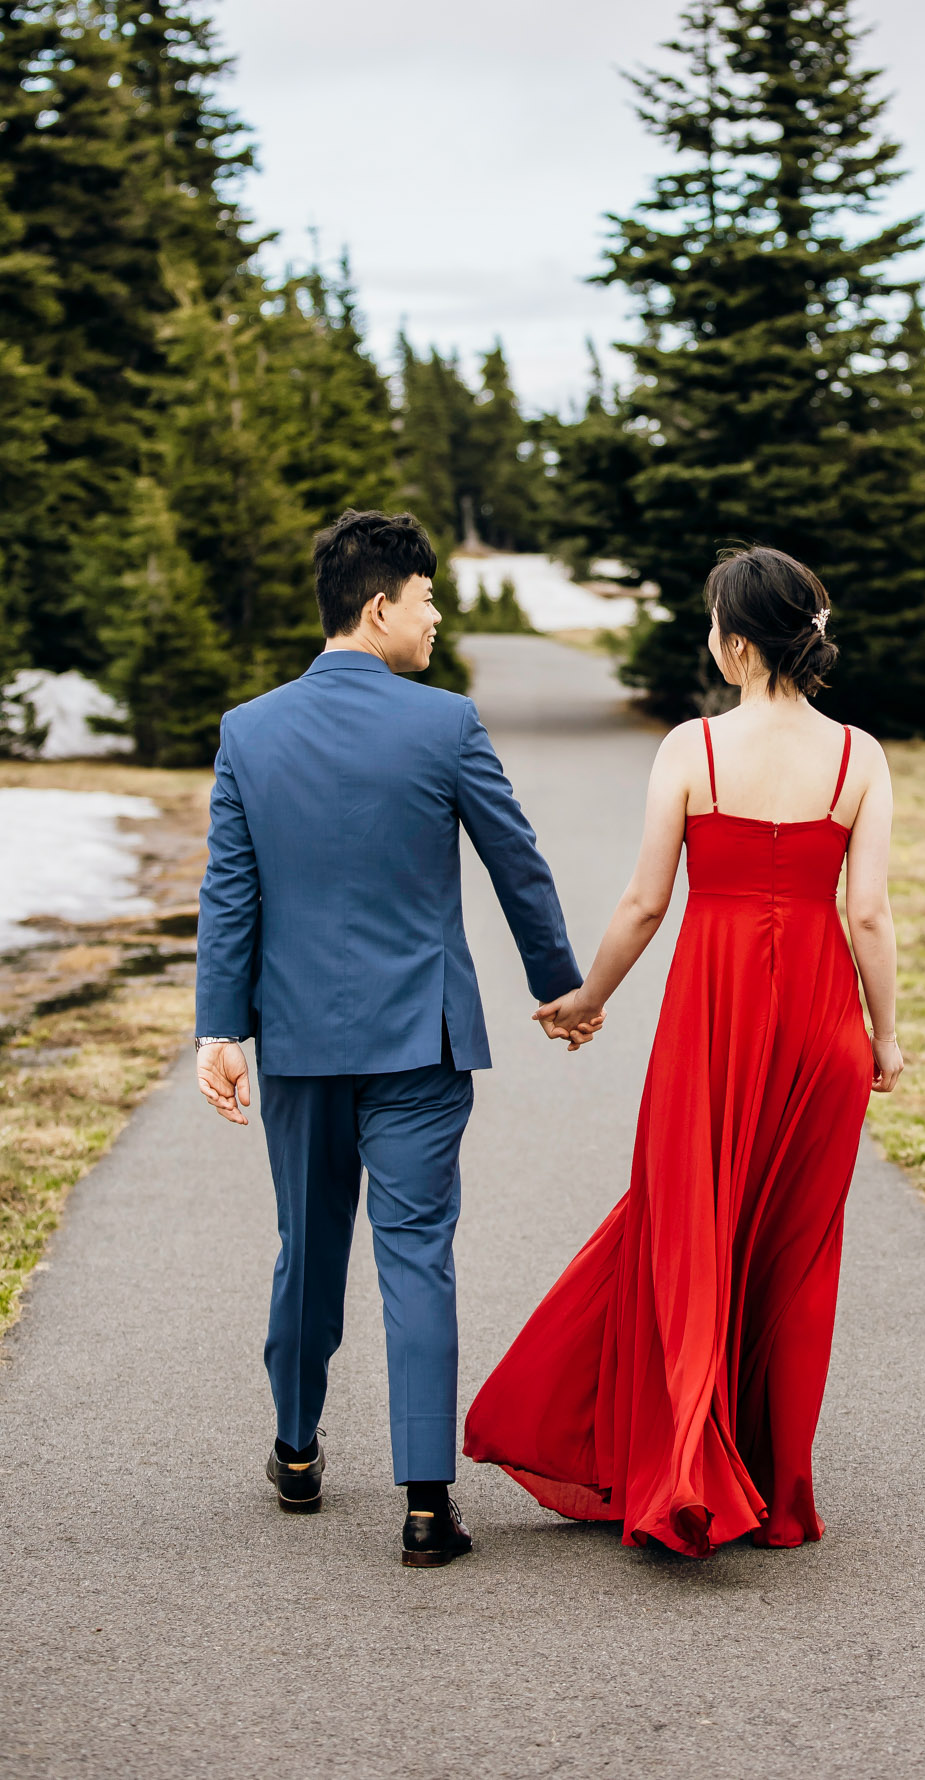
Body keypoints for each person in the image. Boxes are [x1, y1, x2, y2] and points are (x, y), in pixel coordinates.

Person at [463, 544, 902, 1555]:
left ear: (737, 644)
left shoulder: (691, 750)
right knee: (791, 1255)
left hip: (712, 1023)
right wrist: (885, 1035)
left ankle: (687, 1469)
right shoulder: (859, 757)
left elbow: (645, 901)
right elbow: (867, 914)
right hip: (819, 1026)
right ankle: (775, 1493)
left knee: (686, 1227)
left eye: (714, 626)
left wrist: (585, 999)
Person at [193, 509, 581, 1570]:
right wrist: (561, 988)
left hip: (301, 1043)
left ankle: (297, 1449)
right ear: (378, 607)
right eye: (424, 597)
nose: (436, 614)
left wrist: (220, 1028)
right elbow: (518, 864)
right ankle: (423, 1505)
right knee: (417, 1257)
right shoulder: (444, 723)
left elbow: (231, 895)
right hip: (420, 1040)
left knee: (307, 1248)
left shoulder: (249, 730)